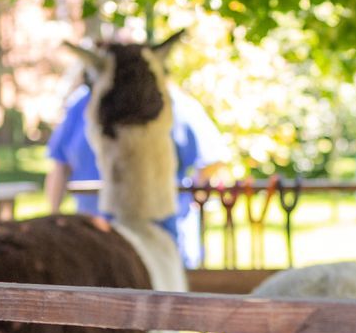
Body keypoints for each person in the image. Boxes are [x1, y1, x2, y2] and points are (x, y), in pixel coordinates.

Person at [43, 60, 228, 268]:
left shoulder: (174, 104)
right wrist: (54, 215)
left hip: (163, 231)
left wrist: (193, 194)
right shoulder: (84, 105)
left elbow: (213, 158)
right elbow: (60, 164)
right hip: (96, 233)